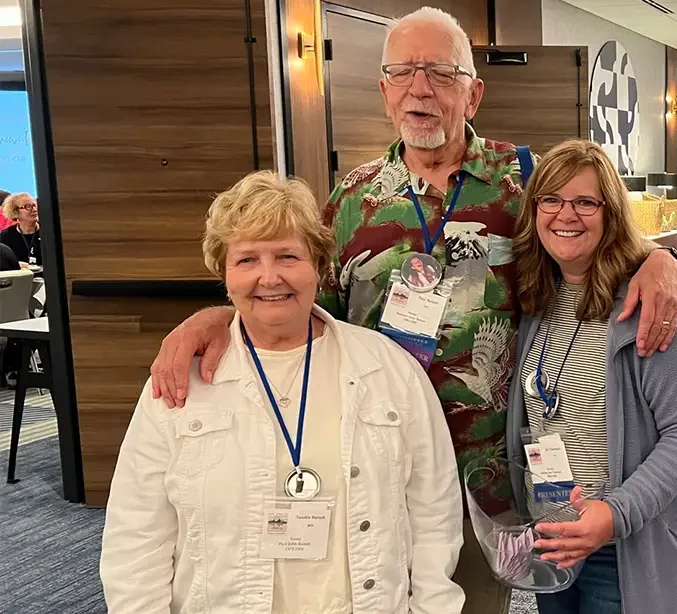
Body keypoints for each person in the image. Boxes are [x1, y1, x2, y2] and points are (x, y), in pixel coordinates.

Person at [147, 7, 677, 614]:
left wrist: (661, 262)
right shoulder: (352, 199)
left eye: (440, 73)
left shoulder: (523, 180)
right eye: (402, 72)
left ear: (473, 93)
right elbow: (297, 311)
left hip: (492, 474)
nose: (419, 88)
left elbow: (591, 232)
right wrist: (216, 316)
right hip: (373, 466)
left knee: (476, 605)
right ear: (383, 91)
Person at [101, 171, 464, 613]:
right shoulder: (182, 380)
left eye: (287, 256)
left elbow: (433, 512)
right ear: (224, 272)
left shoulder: (388, 370)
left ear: (318, 264)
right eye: (247, 260)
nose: (269, 277)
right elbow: (137, 528)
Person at [506, 139, 677, 614]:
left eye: (585, 201)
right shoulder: (537, 298)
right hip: (551, 529)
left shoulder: (650, 307)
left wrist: (615, 513)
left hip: (624, 544)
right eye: (551, 199)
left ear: (611, 213)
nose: (566, 214)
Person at [0, 193, 42, 265]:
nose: (34, 209)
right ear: (15, 211)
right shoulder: (5, 236)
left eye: (34, 205)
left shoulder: (48, 232)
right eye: (27, 206)